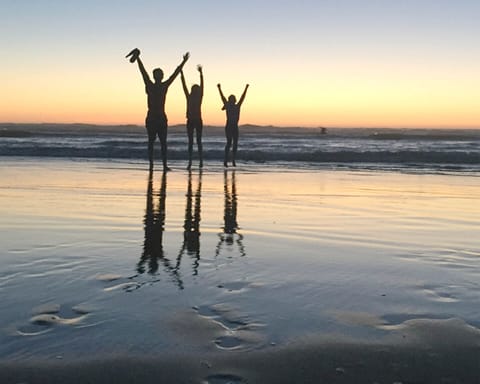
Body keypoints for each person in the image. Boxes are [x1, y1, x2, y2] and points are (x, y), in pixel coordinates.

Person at [126, 48, 189, 170]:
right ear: (159, 76)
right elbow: (174, 74)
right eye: (160, 75)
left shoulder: (151, 85)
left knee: (154, 142)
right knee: (160, 142)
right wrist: (184, 62)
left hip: (155, 117)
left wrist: (138, 58)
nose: (161, 76)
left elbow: (143, 72)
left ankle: (155, 165)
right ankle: (161, 165)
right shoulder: (161, 86)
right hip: (157, 117)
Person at [217, 83, 249, 167]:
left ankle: (233, 160)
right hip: (229, 126)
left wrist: (246, 88)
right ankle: (226, 160)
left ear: (234, 100)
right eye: (231, 99)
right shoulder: (228, 105)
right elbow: (222, 97)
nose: (232, 100)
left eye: (233, 99)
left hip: (234, 126)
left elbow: (242, 97)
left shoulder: (236, 106)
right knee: (229, 143)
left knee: (234, 143)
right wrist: (219, 89)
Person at [180, 65, 204, 169]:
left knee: (197, 141)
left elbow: (203, 86)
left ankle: (200, 161)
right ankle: (191, 162)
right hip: (191, 120)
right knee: (191, 142)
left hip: (197, 120)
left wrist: (201, 74)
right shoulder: (189, 97)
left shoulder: (198, 97)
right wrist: (181, 74)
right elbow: (184, 86)